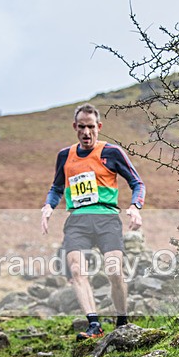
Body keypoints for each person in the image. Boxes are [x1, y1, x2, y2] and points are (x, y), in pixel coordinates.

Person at [41, 103, 145, 340]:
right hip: (77, 220)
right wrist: (49, 205)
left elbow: (137, 183)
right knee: (77, 270)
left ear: (98, 127)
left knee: (114, 270)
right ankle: (94, 324)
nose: (86, 133)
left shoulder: (112, 152)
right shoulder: (65, 156)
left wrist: (135, 207)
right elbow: (57, 187)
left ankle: (122, 319)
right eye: (81, 127)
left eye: (91, 127)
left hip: (107, 218)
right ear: (74, 127)